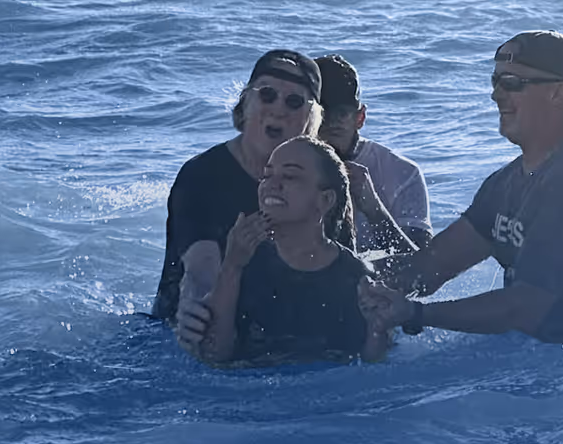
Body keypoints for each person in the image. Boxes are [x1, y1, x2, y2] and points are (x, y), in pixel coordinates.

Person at [359, 31, 563, 345]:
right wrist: (358, 279)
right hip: (542, 353)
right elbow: (433, 266)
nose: (496, 95)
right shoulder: (506, 183)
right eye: (495, 82)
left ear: (558, 93)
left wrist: (415, 314)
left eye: (512, 83)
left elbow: (526, 308)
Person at [175, 136, 391, 364]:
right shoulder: (245, 262)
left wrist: (377, 330)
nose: (271, 184)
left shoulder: (355, 277)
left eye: (290, 176)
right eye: (266, 175)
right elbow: (215, 355)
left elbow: (371, 362)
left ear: (325, 199)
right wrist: (231, 266)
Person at [151, 50, 324, 321]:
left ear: (310, 120)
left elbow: (340, 271)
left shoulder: (322, 186)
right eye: (267, 94)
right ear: (245, 104)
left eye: (294, 102)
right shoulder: (202, 175)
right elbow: (200, 269)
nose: (279, 109)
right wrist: (199, 307)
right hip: (176, 329)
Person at [315, 54, 433, 254]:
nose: (331, 122)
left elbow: (423, 267)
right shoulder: (279, 167)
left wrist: (374, 210)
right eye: (323, 113)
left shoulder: (404, 174)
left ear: (360, 117)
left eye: (341, 113)